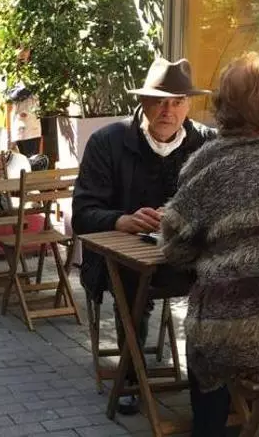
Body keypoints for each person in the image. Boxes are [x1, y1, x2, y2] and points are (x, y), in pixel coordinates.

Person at [72, 57, 217, 415]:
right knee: (132, 283)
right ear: (142, 101)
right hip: (123, 260)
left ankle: (213, 386)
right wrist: (121, 220)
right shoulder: (108, 142)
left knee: (224, 280)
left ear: (188, 104)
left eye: (178, 101)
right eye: (159, 101)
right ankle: (131, 377)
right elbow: (83, 214)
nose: (169, 111)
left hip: (186, 256)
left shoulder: (207, 143)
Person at [160, 52, 259, 436]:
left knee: (206, 353)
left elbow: (175, 247)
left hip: (233, 329)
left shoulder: (210, 162)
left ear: (226, 105)